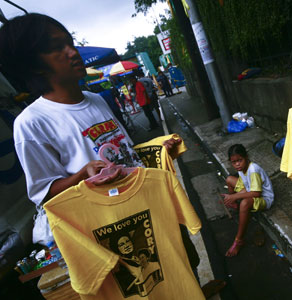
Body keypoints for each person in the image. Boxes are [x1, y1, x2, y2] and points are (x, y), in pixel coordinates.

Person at [0, 14, 179, 210]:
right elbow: (44, 194)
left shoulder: (95, 99)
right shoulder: (31, 122)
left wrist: (157, 148)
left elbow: (124, 153)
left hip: (148, 200)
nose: (73, 53)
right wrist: (83, 175)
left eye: (70, 44)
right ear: (33, 65)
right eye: (57, 48)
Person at [221, 144, 274, 257]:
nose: (237, 164)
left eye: (239, 160)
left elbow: (256, 193)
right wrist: (232, 197)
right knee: (229, 179)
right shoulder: (241, 169)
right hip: (252, 191)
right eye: (234, 162)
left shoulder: (253, 169)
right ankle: (236, 206)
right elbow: (246, 187)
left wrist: (235, 196)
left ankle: (238, 240)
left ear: (246, 157)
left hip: (264, 198)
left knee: (244, 203)